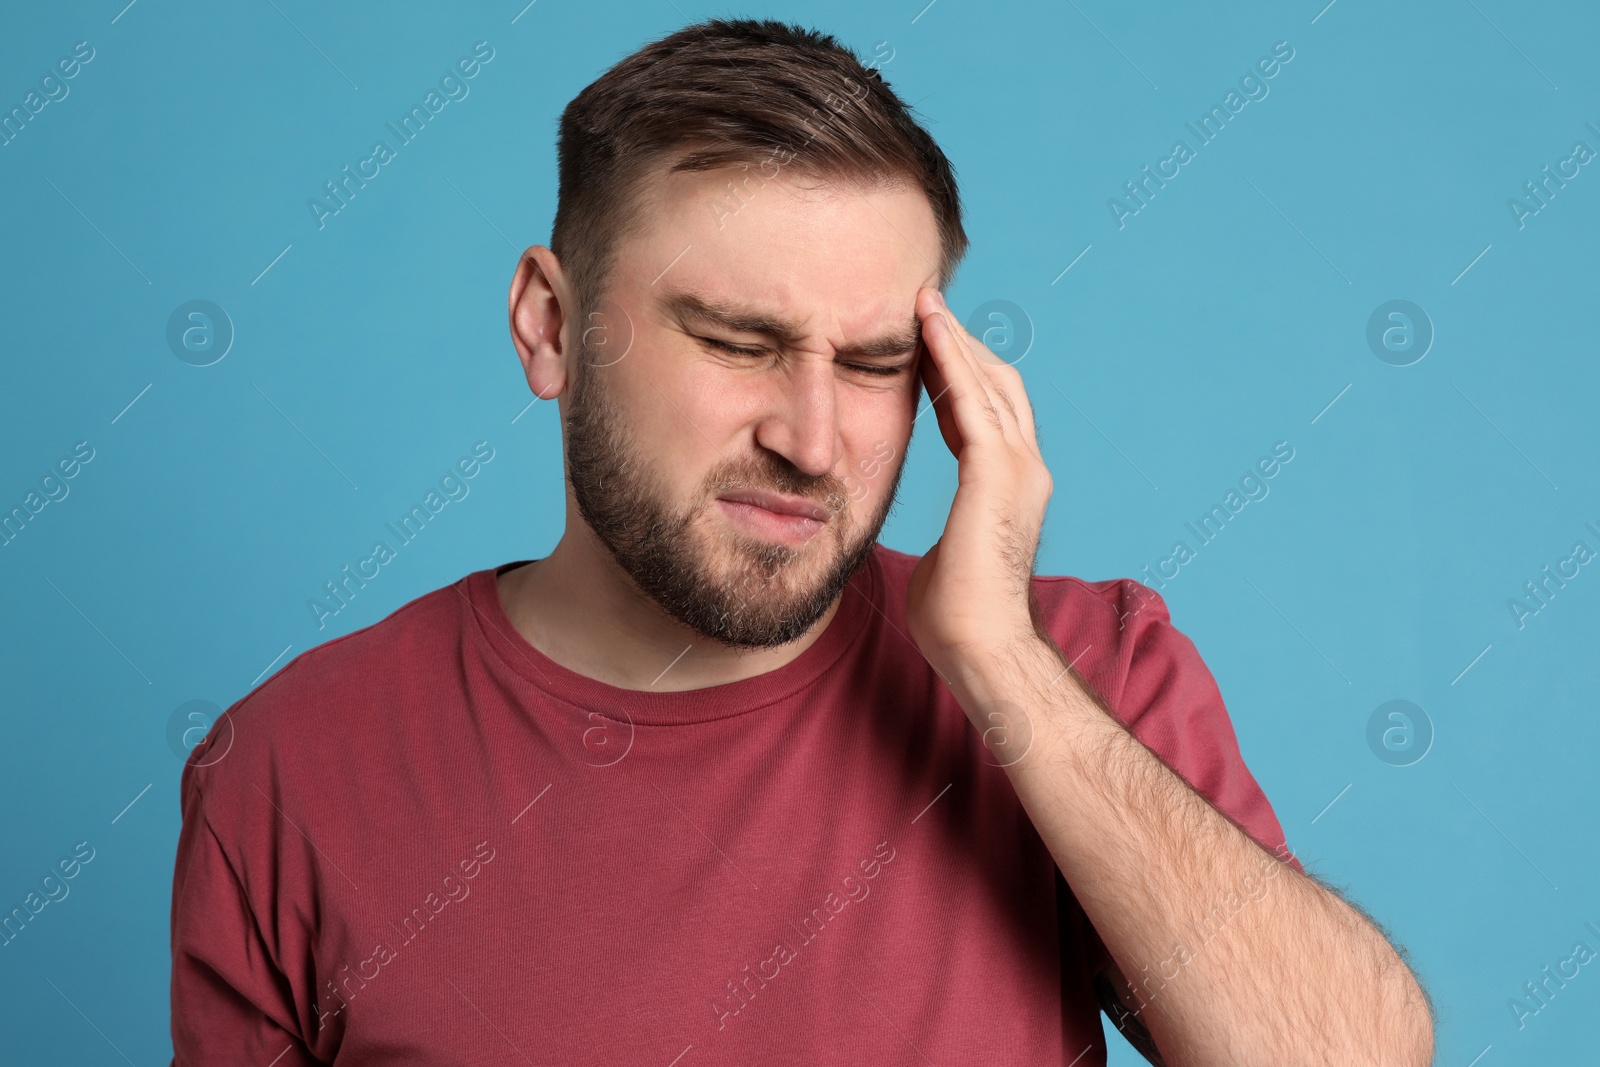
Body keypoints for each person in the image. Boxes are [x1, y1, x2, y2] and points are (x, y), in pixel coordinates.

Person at [169, 18, 1434, 1066]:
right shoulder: (288, 771)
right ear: (551, 326)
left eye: (877, 362)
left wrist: (999, 664)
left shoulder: (1086, 670)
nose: (814, 439)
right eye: (735, 342)